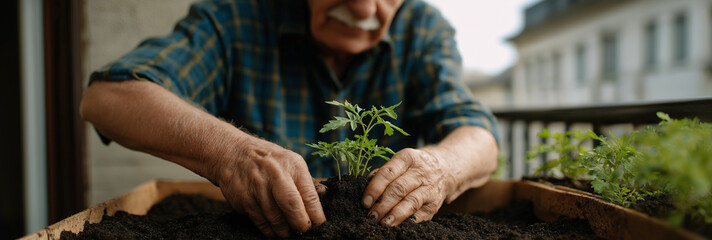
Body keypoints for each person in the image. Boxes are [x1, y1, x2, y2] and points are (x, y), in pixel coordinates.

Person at [80, 0, 499, 238]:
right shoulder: (237, 17)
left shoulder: (420, 27)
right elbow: (108, 97)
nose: (363, 7)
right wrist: (230, 152)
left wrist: (443, 167)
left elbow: (477, 136)